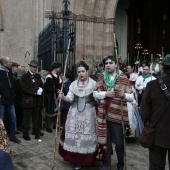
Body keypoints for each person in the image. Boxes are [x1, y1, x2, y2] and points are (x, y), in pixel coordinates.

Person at [93, 56, 133, 170]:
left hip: (117, 115)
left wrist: (124, 95)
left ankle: (121, 163)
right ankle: (104, 163)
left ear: (116, 64)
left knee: (120, 143)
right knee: (103, 140)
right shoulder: (101, 77)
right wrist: (105, 94)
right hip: (103, 115)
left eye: (111, 63)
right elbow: (94, 93)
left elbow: (132, 97)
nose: (108, 65)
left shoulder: (122, 78)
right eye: (106, 63)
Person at [58, 61, 97, 170]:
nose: (81, 74)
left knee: (87, 135)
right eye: (79, 72)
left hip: (89, 114)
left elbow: (98, 98)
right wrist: (63, 97)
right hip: (74, 113)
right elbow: (69, 98)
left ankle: (89, 159)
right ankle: (77, 160)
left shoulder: (94, 84)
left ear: (87, 72)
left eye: (83, 71)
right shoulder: (73, 84)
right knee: (75, 136)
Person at [140, 54, 170, 170]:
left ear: (162, 68)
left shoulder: (152, 85)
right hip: (158, 134)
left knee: (156, 167)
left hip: (157, 134)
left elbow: (144, 113)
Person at [20, 60, 43, 140]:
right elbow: (24, 88)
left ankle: (36, 131)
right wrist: (35, 92)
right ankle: (25, 133)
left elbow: (41, 85)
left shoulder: (38, 76)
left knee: (36, 117)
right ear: (29, 67)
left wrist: (41, 89)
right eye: (33, 67)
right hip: (28, 100)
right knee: (26, 118)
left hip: (37, 101)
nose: (34, 68)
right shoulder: (25, 76)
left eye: (36, 67)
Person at [0, 56, 21, 143]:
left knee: (13, 117)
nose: (11, 63)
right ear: (5, 64)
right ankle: (1, 137)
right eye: (9, 62)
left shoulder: (9, 72)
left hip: (10, 100)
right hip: (1, 99)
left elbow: (12, 85)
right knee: (1, 119)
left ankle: (12, 135)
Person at [44, 62, 62, 133]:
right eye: (58, 67)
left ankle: (55, 125)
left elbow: (60, 85)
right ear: (55, 68)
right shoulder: (49, 76)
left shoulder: (57, 76)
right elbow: (49, 88)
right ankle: (48, 126)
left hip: (57, 95)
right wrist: (57, 90)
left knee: (56, 110)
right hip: (51, 96)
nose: (59, 69)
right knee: (50, 111)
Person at [11, 62, 23, 132]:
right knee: (14, 114)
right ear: (12, 67)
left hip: (19, 98)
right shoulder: (10, 76)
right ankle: (13, 128)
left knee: (19, 113)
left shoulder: (17, 76)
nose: (17, 68)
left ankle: (19, 126)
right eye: (16, 67)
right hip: (13, 98)